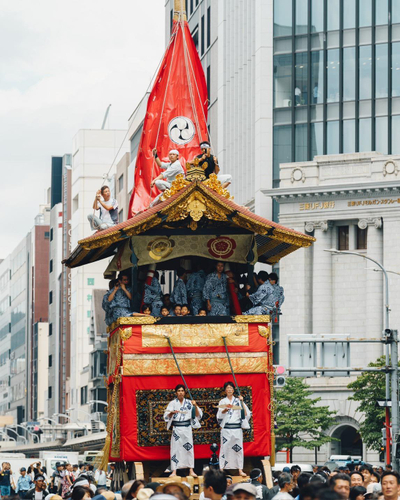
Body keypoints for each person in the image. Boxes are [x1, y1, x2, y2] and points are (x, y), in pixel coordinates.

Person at [163, 384, 203, 478]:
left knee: (188, 448)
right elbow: (166, 416)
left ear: (184, 392)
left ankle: (191, 469)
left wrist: (195, 405)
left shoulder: (189, 403)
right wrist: (171, 413)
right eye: (179, 391)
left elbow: (198, 415)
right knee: (175, 449)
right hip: (177, 428)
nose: (180, 392)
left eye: (182, 391)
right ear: (176, 393)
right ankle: (174, 471)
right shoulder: (172, 403)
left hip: (187, 428)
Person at [217, 381, 251, 477]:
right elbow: (219, 416)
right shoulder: (222, 401)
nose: (229, 390)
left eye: (231, 388)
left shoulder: (238, 401)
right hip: (226, 428)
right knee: (224, 448)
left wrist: (242, 402)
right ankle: (221, 468)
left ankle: (240, 469)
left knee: (238, 449)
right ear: (225, 390)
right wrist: (225, 410)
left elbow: (246, 414)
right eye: (227, 388)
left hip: (236, 428)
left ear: (233, 390)